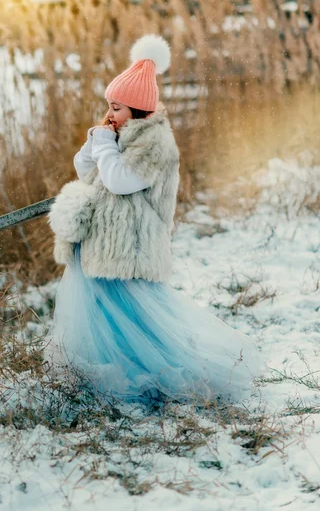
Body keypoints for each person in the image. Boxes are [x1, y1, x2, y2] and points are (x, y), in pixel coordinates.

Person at [43, 34, 264, 405]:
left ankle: (155, 372)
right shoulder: (120, 137)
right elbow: (87, 171)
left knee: (137, 313)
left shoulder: (155, 144)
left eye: (117, 107)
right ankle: (106, 369)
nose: (110, 114)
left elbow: (119, 180)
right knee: (104, 311)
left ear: (139, 110)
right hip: (106, 241)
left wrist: (104, 148)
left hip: (133, 247)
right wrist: (92, 145)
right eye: (109, 106)